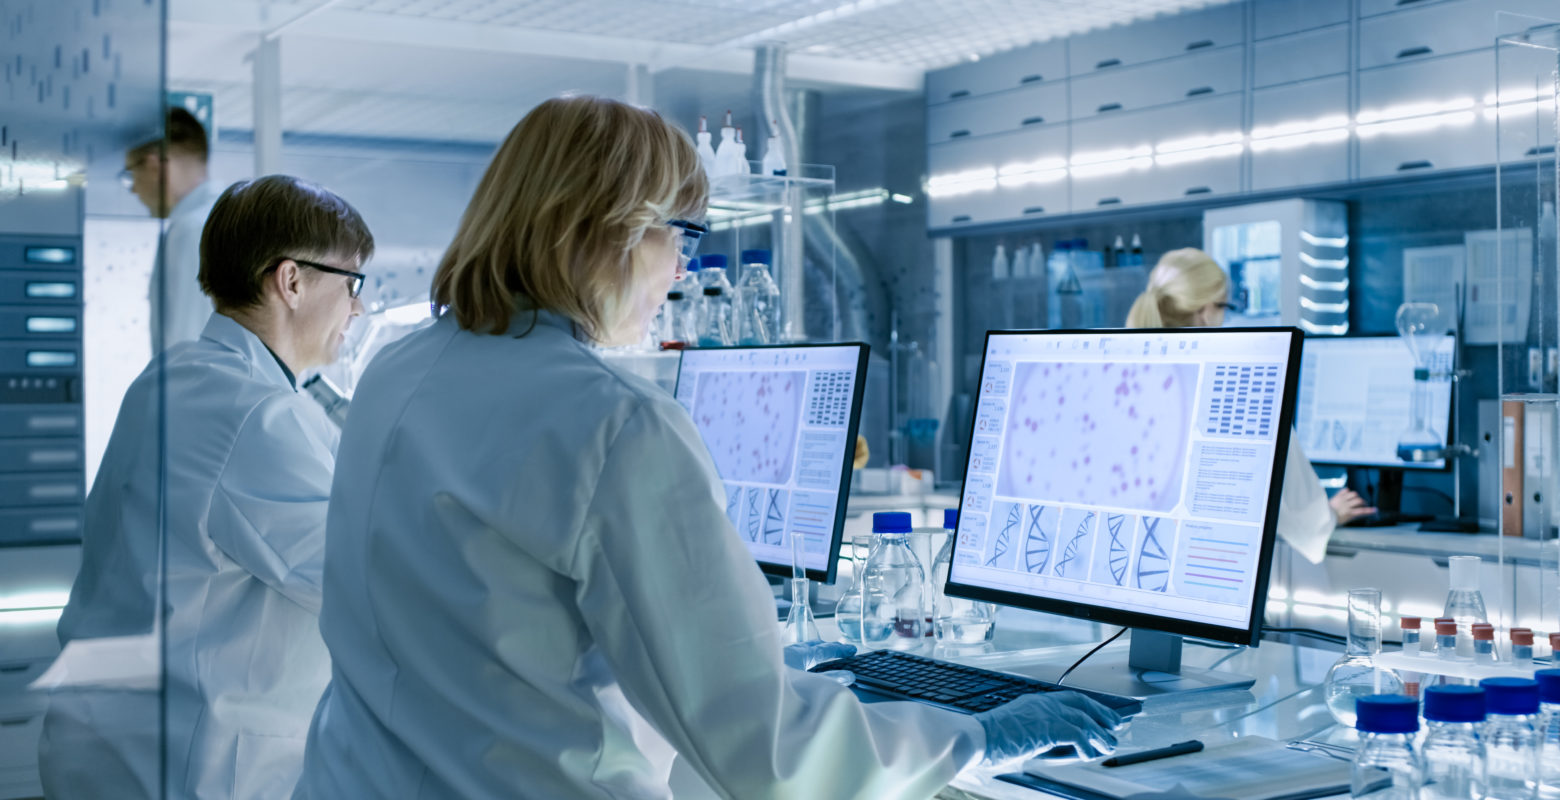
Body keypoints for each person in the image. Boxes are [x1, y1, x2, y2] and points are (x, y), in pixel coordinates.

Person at [294, 95, 1121, 800]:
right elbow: (764, 750)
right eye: (681, 237)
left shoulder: (401, 368)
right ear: (612, 230)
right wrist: (978, 738)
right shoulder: (612, 421)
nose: (682, 272)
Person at [40, 175, 374, 799]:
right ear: (292, 281)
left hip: (112, 744)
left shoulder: (172, 377)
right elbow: (359, 581)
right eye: (351, 283)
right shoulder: (256, 415)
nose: (357, 307)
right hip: (206, 764)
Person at [1125, 247, 1375, 563]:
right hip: (1212, 571)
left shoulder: (1129, 382)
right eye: (1224, 306)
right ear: (1205, 311)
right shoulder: (1238, 388)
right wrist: (1329, 515)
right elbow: (1291, 505)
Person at [122, 106, 221, 353]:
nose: (133, 188)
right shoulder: (223, 219)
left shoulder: (193, 231)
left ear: (155, 166)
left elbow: (184, 350)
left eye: (131, 173)